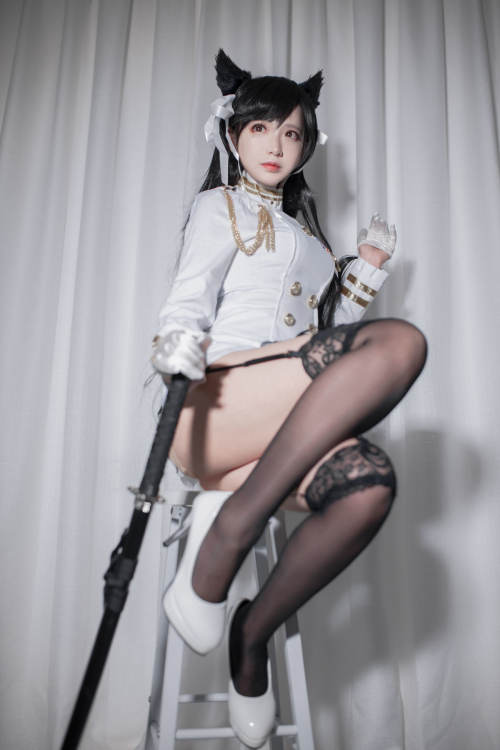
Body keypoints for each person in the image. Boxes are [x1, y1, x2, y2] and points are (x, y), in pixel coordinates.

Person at [151, 49, 427, 749]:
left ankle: (251, 634)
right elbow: (189, 296)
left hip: (278, 429)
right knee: (398, 345)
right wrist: (175, 349)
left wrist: (363, 272)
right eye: (260, 128)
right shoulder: (219, 206)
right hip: (216, 407)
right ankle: (227, 534)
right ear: (232, 134)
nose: (276, 145)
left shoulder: (309, 237)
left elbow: (325, 341)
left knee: (369, 483)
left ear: (306, 147)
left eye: (292, 133)